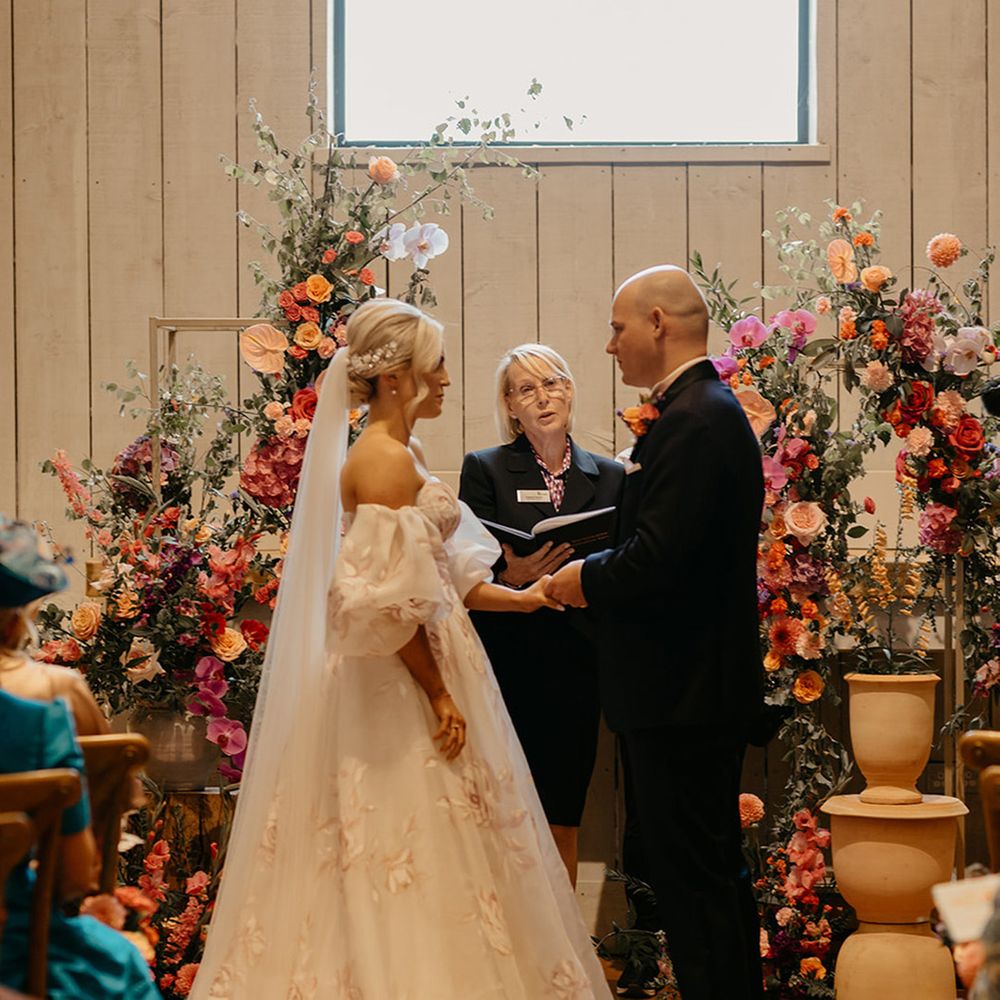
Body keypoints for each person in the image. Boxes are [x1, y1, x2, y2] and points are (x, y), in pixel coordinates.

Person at [192, 299, 609, 998]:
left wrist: (527, 597)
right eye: (435, 364)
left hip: (438, 655)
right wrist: (439, 691)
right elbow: (386, 607)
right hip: (398, 680)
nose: (446, 378)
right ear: (395, 379)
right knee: (400, 835)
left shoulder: (408, 452)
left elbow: (447, 581)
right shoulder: (380, 461)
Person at [547, 266, 765, 1000]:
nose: (610, 345)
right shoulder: (696, 410)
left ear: (659, 323)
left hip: (685, 693)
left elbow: (663, 558)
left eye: (618, 327)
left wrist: (585, 578)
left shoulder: (697, 418)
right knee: (706, 873)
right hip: (684, 689)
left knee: (694, 880)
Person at [459, 345, 623, 885]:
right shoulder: (484, 469)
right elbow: (465, 571)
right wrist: (513, 575)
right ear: (510, 405)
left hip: (579, 660)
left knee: (561, 811)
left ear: (571, 390)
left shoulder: (611, 476)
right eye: (526, 389)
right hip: (509, 657)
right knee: (503, 811)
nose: (543, 397)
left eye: (552, 383)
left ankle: (565, 952)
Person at [0, 521, 159, 999]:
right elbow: (76, 876)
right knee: (120, 964)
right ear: (16, 618)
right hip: (15, 946)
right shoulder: (46, 710)